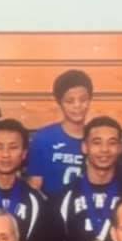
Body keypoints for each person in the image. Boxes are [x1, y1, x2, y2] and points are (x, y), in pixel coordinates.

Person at [58, 116, 122, 241]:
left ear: (120, 148)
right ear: (85, 147)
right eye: (97, 142)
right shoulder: (63, 197)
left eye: (112, 143)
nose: (104, 149)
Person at [27, 70, 93, 200]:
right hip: (53, 212)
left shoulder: (96, 138)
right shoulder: (43, 138)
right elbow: (34, 186)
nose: (77, 105)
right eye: (70, 101)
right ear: (60, 103)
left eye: (83, 99)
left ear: (90, 100)